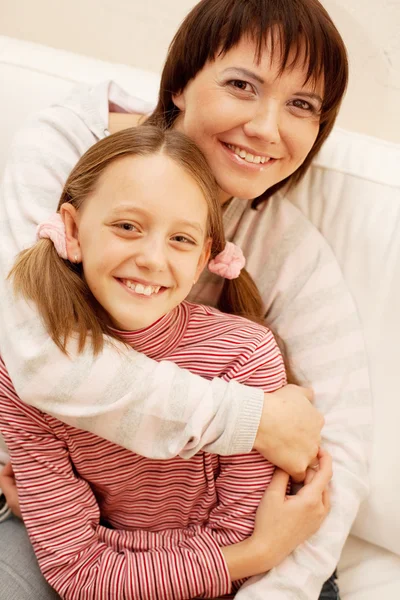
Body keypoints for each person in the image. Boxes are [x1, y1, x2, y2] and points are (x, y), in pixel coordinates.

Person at [0, 0, 371, 598]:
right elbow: (39, 360)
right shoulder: (70, 150)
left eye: (302, 105)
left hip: (214, 550)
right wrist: (254, 421)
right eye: (242, 86)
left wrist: (262, 560)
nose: (267, 128)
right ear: (177, 85)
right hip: (83, 526)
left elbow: (331, 458)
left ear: (208, 255)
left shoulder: (277, 260)